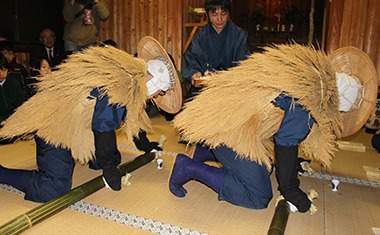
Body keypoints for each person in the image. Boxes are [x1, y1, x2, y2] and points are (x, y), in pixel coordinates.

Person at [171, 44, 377, 213]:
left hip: (223, 121)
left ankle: (204, 151)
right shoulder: (309, 98)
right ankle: (188, 168)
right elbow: (285, 143)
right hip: (227, 129)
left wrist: (291, 165)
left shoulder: (308, 76)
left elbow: (284, 131)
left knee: (266, 166)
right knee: (258, 195)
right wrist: (291, 190)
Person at [0, 36, 182, 202]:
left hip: (80, 125)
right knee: (54, 189)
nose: (160, 95)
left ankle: (84, 155)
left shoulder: (133, 82)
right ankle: (3, 173)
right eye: (162, 90)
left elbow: (133, 119)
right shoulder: (120, 81)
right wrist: (109, 169)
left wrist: (145, 146)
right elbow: (103, 127)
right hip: (55, 124)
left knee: (110, 155)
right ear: (154, 81)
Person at [182, 0, 251, 98]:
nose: (219, 19)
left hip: (231, 88)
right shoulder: (200, 37)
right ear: (207, 14)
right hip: (205, 87)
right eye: (214, 14)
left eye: (223, 14)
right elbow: (191, 58)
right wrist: (194, 73)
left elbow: (245, 63)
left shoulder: (240, 35)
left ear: (229, 13)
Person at [0, 53, 25, 144]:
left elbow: (21, 106)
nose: (1, 74)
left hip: (13, 125)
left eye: (4, 70)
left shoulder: (14, 84)